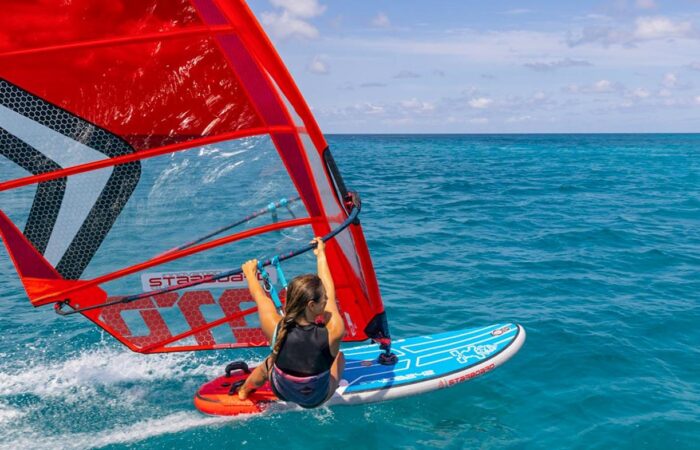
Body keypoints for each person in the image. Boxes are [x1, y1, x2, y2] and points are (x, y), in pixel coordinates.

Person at [237, 237, 346, 408]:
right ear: (311, 305)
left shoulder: (275, 326)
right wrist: (321, 255)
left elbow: (260, 297)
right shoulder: (333, 331)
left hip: (281, 391)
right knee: (340, 356)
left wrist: (250, 274)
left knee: (269, 362)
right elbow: (331, 295)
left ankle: (244, 391)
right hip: (316, 398)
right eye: (322, 298)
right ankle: (331, 380)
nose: (326, 299)